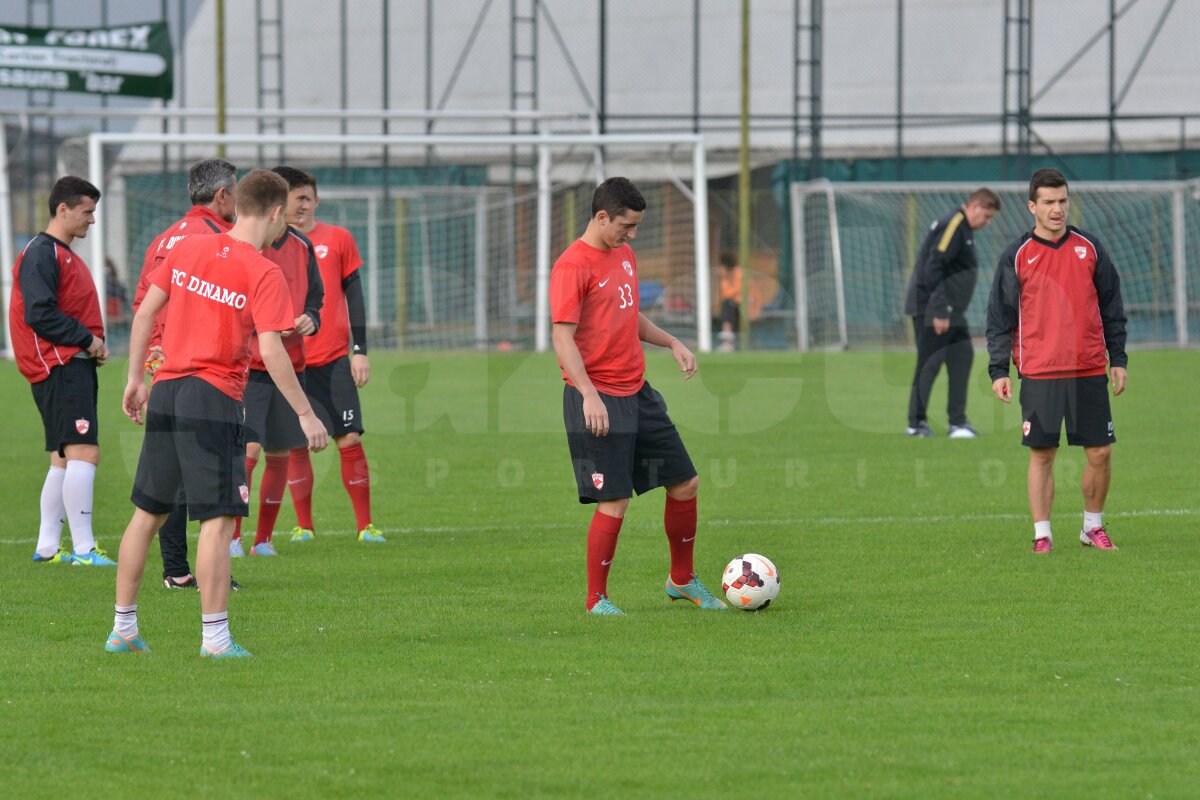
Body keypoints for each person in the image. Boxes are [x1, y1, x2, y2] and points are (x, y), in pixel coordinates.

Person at [105, 169, 328, 658]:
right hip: (213, 398)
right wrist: (306, 414)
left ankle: (122, 629)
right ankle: (215, 639)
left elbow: (144, 313)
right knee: (218, 521)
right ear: (274, 212)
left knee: (147, 513)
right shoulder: (263, 270)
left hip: (166, 390)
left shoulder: (188, 248)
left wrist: (136, 379)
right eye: (282, 218)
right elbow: (271, 351)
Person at [549, 176, 725, 615]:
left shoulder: (623, 255)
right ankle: (596, 600)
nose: (632, 235)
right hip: (597, 397)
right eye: (626, 225)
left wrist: (672, 342)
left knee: (685, 483)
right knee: (615, 501)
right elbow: (562, 338)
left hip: (638, 392)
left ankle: (681, 581)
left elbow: (629, 315)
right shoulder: (572, 265)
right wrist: (588, 394)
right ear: (602, 216)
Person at [986, 168, 1127, 554]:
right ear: (1032, 206)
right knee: (1043, 455)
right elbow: (999, 317)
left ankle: (1092, 527)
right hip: (1040, 371)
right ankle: (1043, 535)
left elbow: (1112, 305)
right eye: (1048, 202)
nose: (1057, 209)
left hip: (1088, 367)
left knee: (1100, 452)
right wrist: (999, 370)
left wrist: (1119, 357)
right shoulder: (1017, 255)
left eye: (1062, 200)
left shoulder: (1090, 248)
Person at [133, 158, 242, 590]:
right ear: (222, 196)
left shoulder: (165, 236)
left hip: (161, 362)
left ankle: (176, 569)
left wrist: (149, 358)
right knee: (207, 467)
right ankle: (210, 574)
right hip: (199, 364)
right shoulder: (216, 238)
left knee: (170, 469)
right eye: (236, 191)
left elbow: (146, 300)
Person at [272, 166, 383, 545]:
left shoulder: (338, 239)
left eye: (306, 198)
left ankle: (365, 526)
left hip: (334, 358)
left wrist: (360, 351)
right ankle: (304, 526)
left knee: (349, 437)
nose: (300, 205)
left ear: (317, 200)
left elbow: (355, 296)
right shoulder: (269, 245)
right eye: (293, 198)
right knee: (296, 443)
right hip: (290, 362)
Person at [9, 176, 115, 566]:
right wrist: (87, 340)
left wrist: (92, 344)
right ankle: (85, 550)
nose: (91, 220)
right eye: (86, 212)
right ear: (62, 209)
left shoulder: (61, 252)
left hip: (69, 362)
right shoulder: (42, 253)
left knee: (64, 456)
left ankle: (48, 546)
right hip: (60, 364)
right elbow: (39, 313)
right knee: (84, 451)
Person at [230, 167, 324, 558]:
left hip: (291, 366)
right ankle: (232, 536)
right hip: (252, 367)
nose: (299, 210)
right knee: (248, 450)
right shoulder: (249, 249)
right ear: (277, 208)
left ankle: (262, 540)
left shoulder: (303, 248)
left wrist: (309, 319)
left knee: (280, 452)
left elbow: (316, 300)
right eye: (293, 202)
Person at [904, 187, 1001, 438]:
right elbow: (933, 266)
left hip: (950, 310)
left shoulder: (963, 228)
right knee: (930, 363)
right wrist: (940, 310)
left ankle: (957, 423)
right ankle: (916, 425)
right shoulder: (954, 224)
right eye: (987, 216)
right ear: (976, 207)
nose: (987, 222)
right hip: (933, 308)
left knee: (962, 357)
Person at [716, 252, 742, 352]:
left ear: (725, 266)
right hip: (736, 304)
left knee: (727, 305)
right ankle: (727, 340)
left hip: (748, 305)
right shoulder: (727, 277)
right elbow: (726, 294)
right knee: (727, 304)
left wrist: (725, 279)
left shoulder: (739, 274)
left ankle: (727, 341)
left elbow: (733, 293)